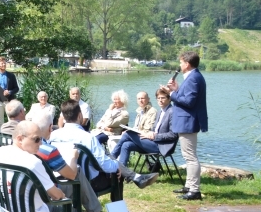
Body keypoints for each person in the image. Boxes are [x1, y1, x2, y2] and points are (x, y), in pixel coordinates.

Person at [31, 111, 119, 212]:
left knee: (73, 179)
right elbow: (71, 174)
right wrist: (73, 157)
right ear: (50, 127)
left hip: (25, 199)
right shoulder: (47, 150)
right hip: (45, 198)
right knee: (76, 175)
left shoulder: (23, 149)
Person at [50, 100, 158, 191]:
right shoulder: (88, 138)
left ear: (63, 117)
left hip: (59, 181)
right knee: (116, 173)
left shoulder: (53, 136)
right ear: (79, 115)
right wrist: (116, 166)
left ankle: (135, 177)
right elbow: (104, 164)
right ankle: (119, 211)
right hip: (87, 182)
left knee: (106, 156)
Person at [0, 121, 65, 212]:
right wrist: (62, 195)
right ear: (20, 139)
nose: (41, 143)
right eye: (36, 139)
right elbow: (56, 195)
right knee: (66, 208)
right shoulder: (33, 162)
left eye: (41, 139)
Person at [166, 51, 208, 200]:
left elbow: (189, 102)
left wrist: (171, 94)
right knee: (187, 155)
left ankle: (194, 190)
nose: (180, 65)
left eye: (181, 62)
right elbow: (187, 96)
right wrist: (176, 90)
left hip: (188, 121)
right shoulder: (193, 77)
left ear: (187, 64)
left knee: (190, 156)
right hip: (186, 121)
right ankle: (189, 186)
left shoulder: (193, 78)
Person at [109, 89, 177, 173]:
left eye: (163, 98)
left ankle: (110, 159)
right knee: (126, 145)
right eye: (158, 98)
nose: (160, 100)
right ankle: (122, 173)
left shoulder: (172, 112)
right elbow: (154, 129)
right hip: (152, 141)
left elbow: (173, 134)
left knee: (128, 134)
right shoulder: (160, 112)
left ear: (169, 99)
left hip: (161, 146)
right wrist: (150, 133)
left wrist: (155, 136)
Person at [0, 56, 19, 127]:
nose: (4, 65)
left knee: (11, 121)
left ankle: (11, 136)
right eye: (2, 63)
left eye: (5, 63)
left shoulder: (11, 76)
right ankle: (0, 137)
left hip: (8, 101)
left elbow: (16, 88)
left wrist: (10, 92)